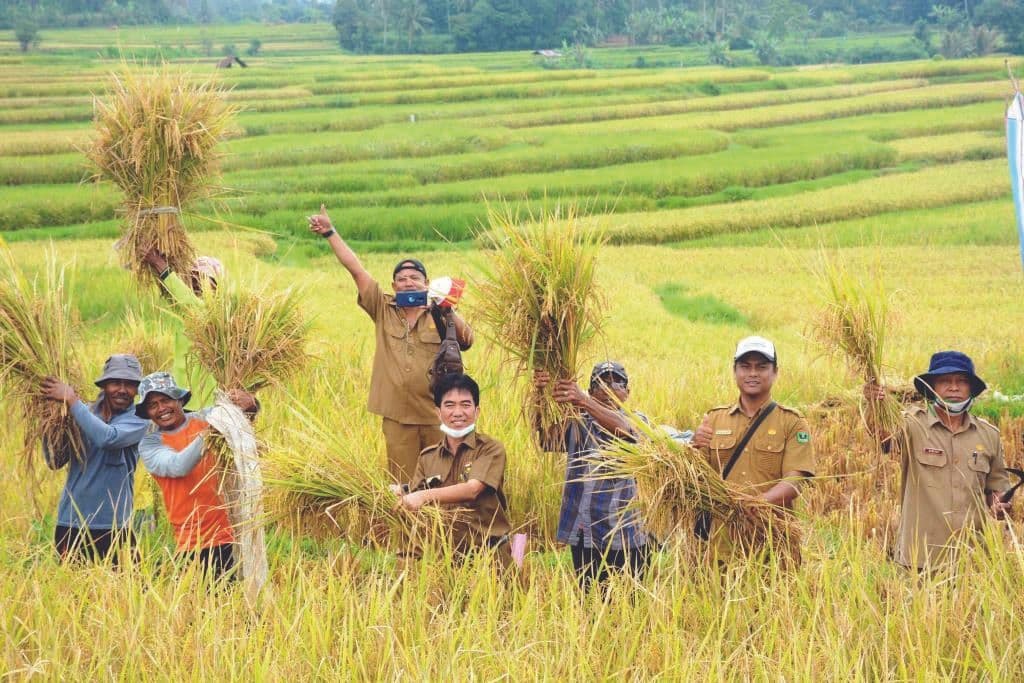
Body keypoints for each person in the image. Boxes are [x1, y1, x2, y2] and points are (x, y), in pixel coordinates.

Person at [310, 205, 473, 482]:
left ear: (427, 283)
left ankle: (439, 527)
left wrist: (445, 306)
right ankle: (406, 527)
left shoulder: (441, 311)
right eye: (402, 279)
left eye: (415, 278)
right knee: (403, 483)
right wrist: (330, 232)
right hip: (397, 417)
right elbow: (356, 270)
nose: (408, 283)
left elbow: (467, 340)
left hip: (436, 413)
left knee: (441, 481)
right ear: (394, 286)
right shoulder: (383, 308)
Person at [864, 351, 1011, 570]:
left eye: (962, 381)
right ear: (931, 387)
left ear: (971, 388)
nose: (954, 387)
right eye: (945, 381)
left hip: (972, 559)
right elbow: (882, 438)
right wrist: (873, 404)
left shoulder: (989, 435)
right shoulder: (912, 425)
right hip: (920, 559)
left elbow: (997, 487)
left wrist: (1001, 504)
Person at [692, 336, 815, 559]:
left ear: (775, 372)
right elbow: (696, 476)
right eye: (745, 366)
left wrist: (757, 504)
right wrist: (693, 444)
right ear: (735, 371)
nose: (753, 373)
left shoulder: (792, 422)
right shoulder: (713, 419)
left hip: (773, 541)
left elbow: (795, 481)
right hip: (720, 543)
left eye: (762, 367)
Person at [534, 361, 651, 587]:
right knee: (590, 602)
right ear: (590, 391)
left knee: (631, 604)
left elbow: (625, 431)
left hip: (626, 532)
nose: (608, 389)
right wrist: (541, 394)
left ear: (627, 392)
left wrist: (584, 401)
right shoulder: (578, 424)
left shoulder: (638, 420)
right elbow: (546, 439)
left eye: (617, 383)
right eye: (600, 384)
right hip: (585, 532)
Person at [136, 372, 257, 579]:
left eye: (166, 400)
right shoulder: (150, 445)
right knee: (204, 604)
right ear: (147, 412)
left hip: (233, 532)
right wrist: (214, 429)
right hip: (193, 542)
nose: (161, 409)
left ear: (179, 399)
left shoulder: (204, 418)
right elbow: (178, 466)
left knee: (238, 603)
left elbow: (241, 420)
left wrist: (251, 405)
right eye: (153, 405)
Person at [391, 373, 511, 567]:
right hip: (444, 559)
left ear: (477, 411)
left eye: (465, 404)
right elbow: (414, 498)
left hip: (489, 557)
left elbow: (472, 489)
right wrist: (402, 493)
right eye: (449, 405)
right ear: (438, 413)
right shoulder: (427, 457)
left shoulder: (490, 449)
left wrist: (422, 496)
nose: (457, 412)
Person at [41, 354, 149, 563]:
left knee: (127, 593)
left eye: (130, 384)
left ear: (137, 389)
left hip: (115, 527)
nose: (122, 390)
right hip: (71, 524)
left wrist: (72, 400)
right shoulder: (82, 412)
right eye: (116, 382)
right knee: (73, 594)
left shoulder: (139, 419)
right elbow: (55, 461)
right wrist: (50, 421)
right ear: (105, 384)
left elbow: (108, 438)